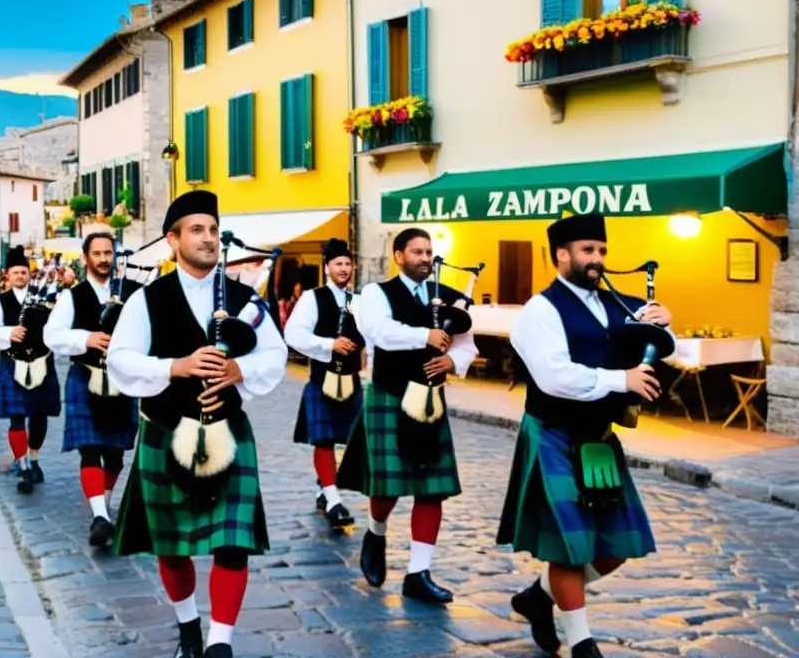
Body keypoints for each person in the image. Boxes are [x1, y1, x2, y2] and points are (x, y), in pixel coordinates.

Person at [108, 190, 288, 658]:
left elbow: (276, 353)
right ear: (173, 240)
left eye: (212, 230)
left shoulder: (245, 299)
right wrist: (176, 366)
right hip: (166, 430)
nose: (207, 239)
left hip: (227, 430)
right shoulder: (146, 300)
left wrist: (238, 371)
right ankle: (188, 624)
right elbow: (121, 361)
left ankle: (219, 644)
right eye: (196, 230)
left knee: (233, 544)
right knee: (171, 547)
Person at [497, 214, 673, 658]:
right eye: (587, 251)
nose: (597, 259)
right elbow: (555, 377)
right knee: (570, 547)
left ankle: (539, 595)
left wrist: (666, 321)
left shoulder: (617, 302)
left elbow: (666, 343)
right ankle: (582, 644)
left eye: (601, 251)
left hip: (598, 441)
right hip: (553, 435)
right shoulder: (540, 310)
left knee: (616, 544)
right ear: (562, 254)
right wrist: (622, 381)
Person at [336, 227, 478, 604]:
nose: (425, 258)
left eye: (429, 252)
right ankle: (376, 532)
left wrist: (453, 359)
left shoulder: (448, 298)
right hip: (390, 395)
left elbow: (467, 344)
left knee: (432, 491)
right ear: (398, 256)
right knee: (386, 487)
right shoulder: (375, 294)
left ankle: (419, 572)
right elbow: (380, 334)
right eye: (416, 251)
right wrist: (425, 337)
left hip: (431, 401)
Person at [44, 232, 141, 546]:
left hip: (123, 380)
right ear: (85, 257)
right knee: (90, 449)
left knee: (115, 453)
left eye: (108, 253)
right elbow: (52, 335)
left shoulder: (132, 293)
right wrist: (85, 339)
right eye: (96, 253)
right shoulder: (72, 296)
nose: (103, 259)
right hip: (85, 377)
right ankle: (99, 515)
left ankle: (105, 508)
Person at [283, 238, 366, 532]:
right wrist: (330, 344)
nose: (343, 269)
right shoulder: (312, 298)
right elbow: (293, 334)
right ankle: (332, 498)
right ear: (327, 267)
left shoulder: (359, 301)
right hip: (322, 379)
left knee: (348, 439)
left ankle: (324, 487)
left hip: (352, 379)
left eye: (347, 264)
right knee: (324, 439)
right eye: (338, 264)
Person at [0, 245, 62, 495]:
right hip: (12, 361)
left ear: (28, 274)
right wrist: (9, 332)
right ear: (7, 275)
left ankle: (34, 458)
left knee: (39, 415)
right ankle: (22, 462)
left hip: (41, 360)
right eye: (15, 272)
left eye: (23, 272)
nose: (20, 276)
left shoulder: (43, 296)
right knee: (17, 416)